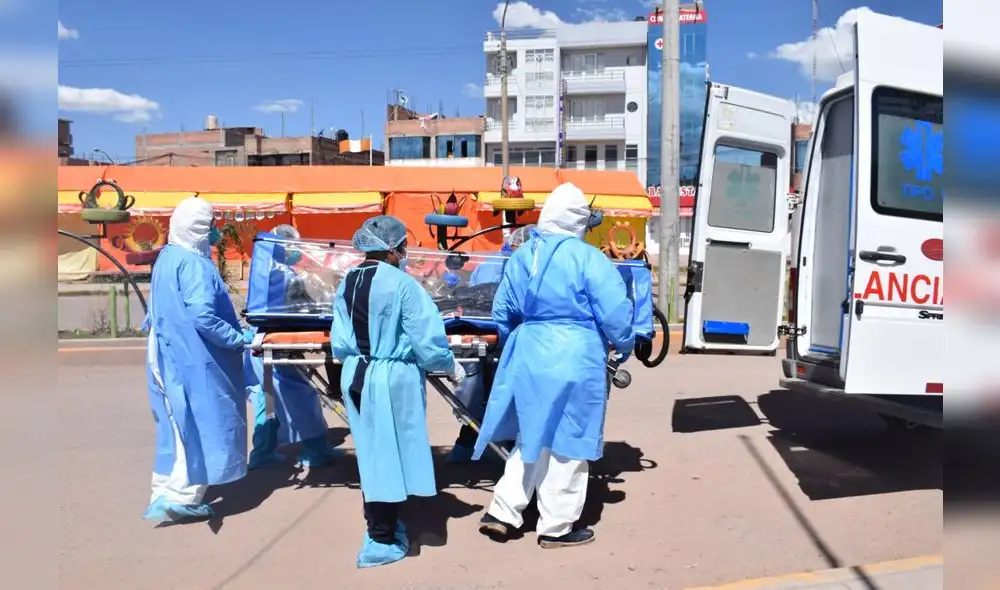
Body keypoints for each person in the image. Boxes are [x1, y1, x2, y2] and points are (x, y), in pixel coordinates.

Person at [472, 183, 635, 548]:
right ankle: (557, 527)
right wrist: (623, 346)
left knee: (531, 434)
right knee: (569, 441)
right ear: (579, 220)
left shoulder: (521, 256)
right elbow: (615, 313)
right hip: (576, 354)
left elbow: (503, 312)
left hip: (529, 350)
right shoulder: (589, 258)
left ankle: (502, 511)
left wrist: (522, 338)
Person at [330, 215, 467, 568]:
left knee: (372, 452)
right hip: (392, 377)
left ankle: (381, 521)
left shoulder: (346, 281)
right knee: (391, 451)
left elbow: (339, 339)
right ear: (393, 250)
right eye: (403, 246)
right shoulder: (403, 285)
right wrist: (449, 364)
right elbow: (427, 339)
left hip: (356, 372)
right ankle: (383, 535)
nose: (405, 252)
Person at [143, 196, 251, 523]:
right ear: (199, 228)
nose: (216, 230)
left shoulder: (169, 256)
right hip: (194, 356)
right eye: (212, 224)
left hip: (165, 350)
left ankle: (162, 489)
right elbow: (203, 317)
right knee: (199, 422)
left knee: (174, 423)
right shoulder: (194, 265)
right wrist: (239, 339)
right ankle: (183, 497)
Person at [244, 224, 340, 470]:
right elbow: (299, 302)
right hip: (274, 339)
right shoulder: (282, 273)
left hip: (264, 338)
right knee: (299, 394)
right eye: (292, 247)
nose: (295, 252)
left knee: (268, 400)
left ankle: (263, 451)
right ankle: (315, 448)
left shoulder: (271, 268)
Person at [446, 224, 535, 463]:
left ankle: (485, 445)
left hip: (506, 338)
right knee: (483, 390)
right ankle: (472, 443)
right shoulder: (495, 266)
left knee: (505, 396)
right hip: (490, 337)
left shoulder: (528, 265)